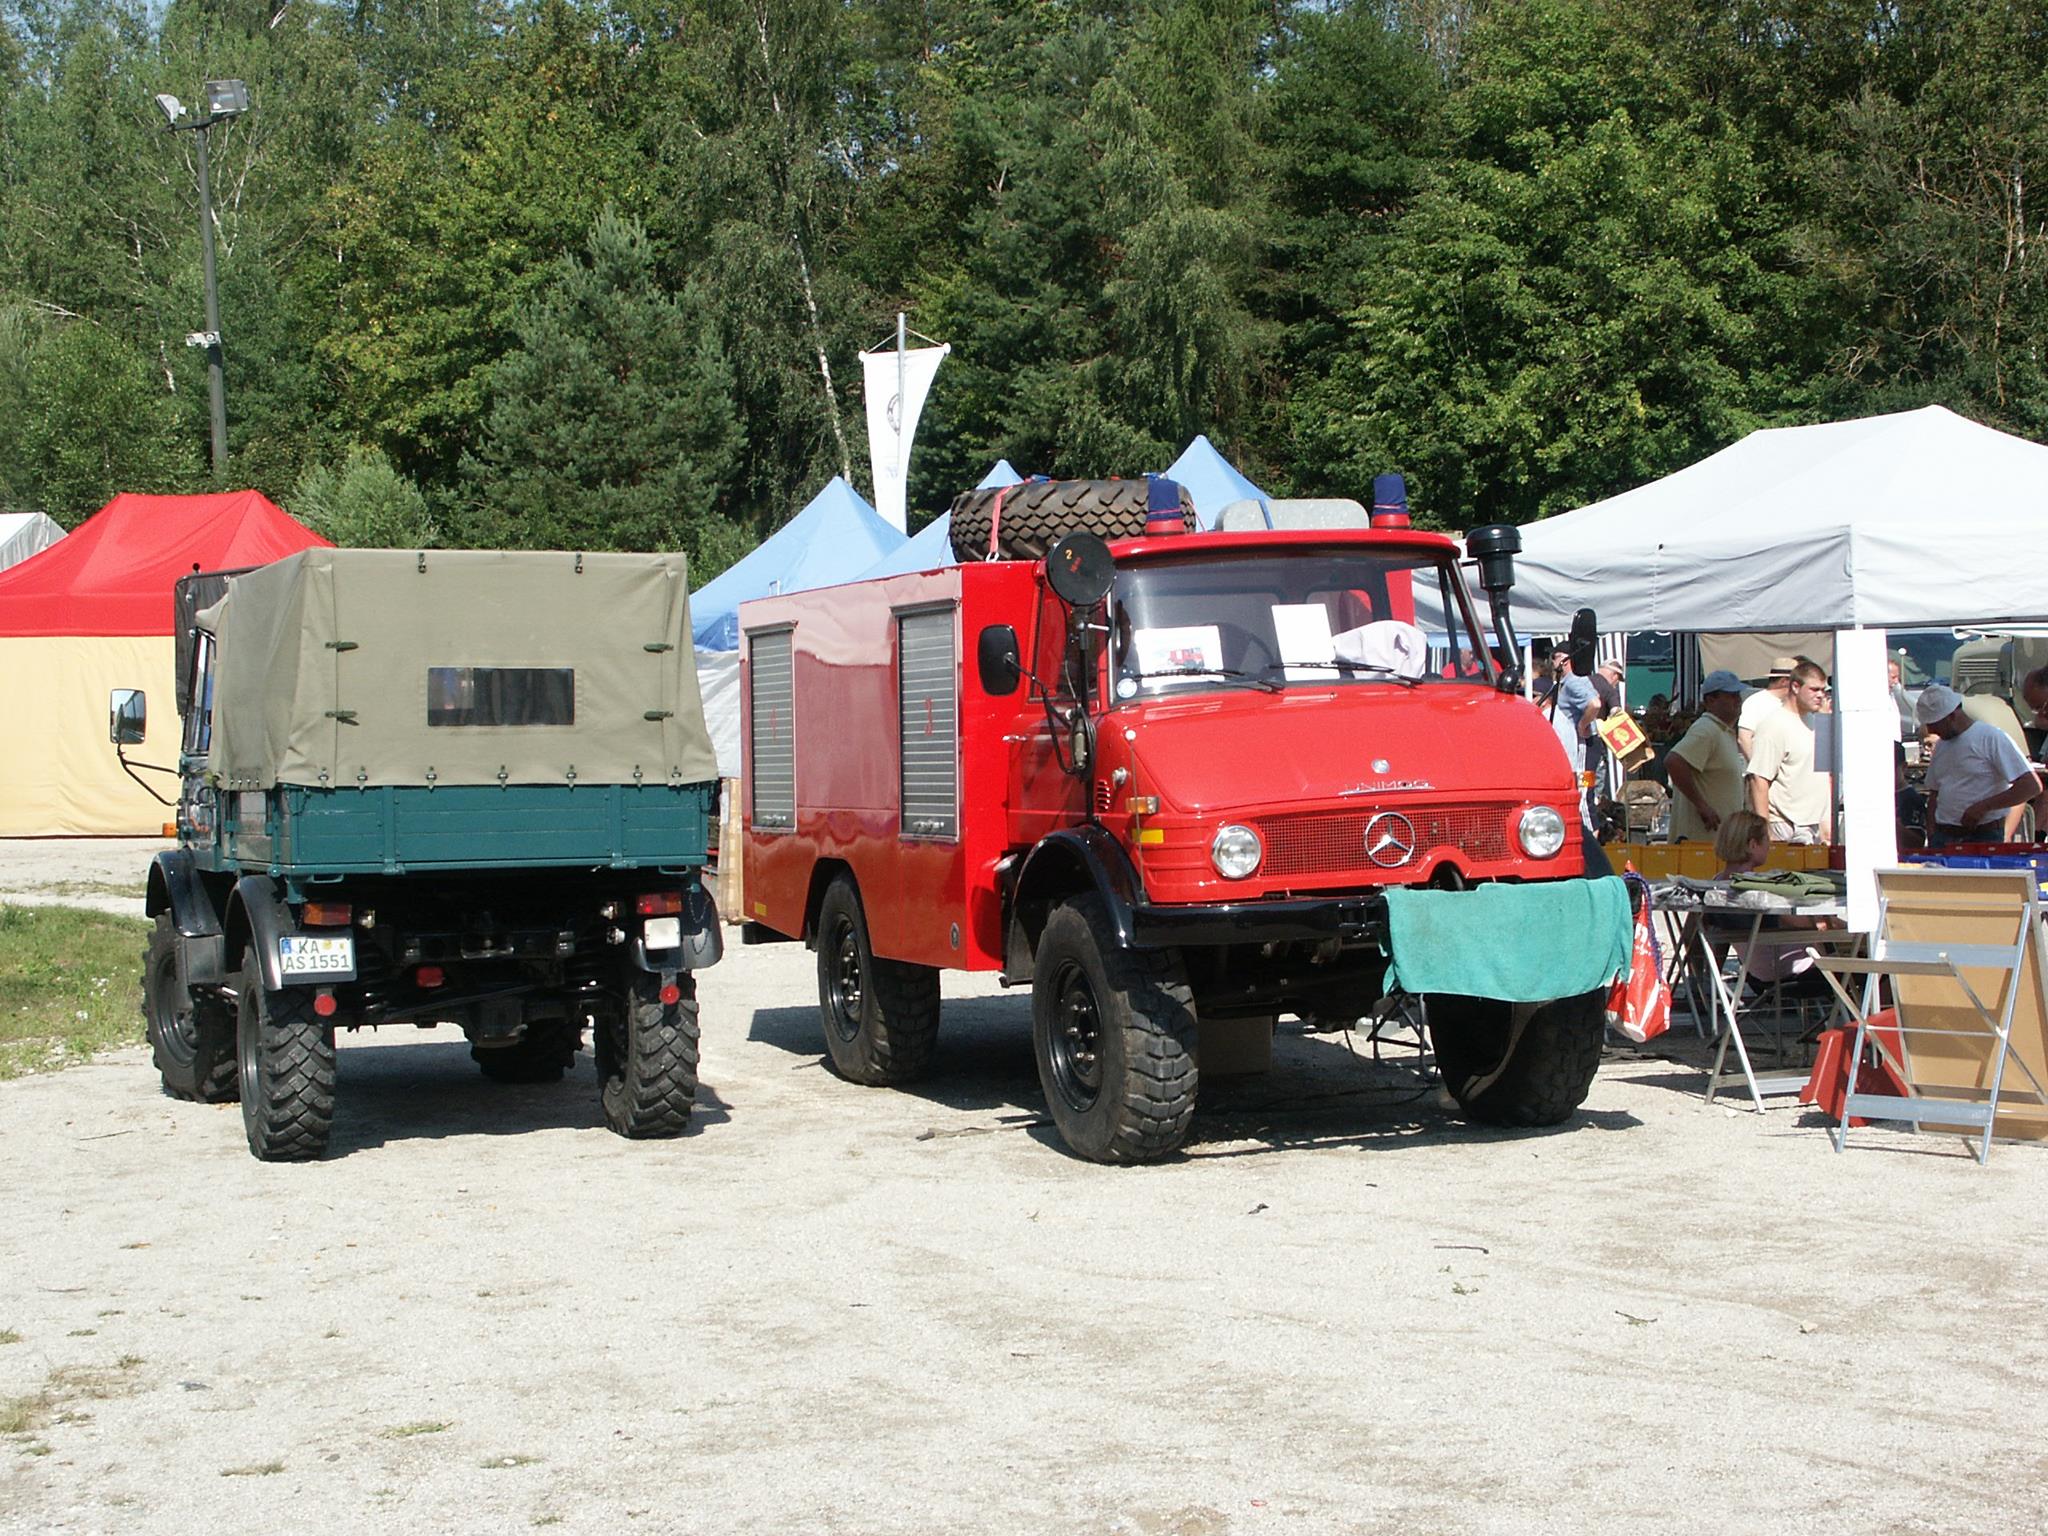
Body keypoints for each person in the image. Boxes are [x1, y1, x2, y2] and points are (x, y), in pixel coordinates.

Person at [1917, 683, 2043, 846]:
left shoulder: (1991, 737)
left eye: (1935, 725)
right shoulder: (1942, 745)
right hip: (1944, 836)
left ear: (1951, 716)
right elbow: (1935, 793)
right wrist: (1932, 833)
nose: (1931, 730)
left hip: (1982, 836)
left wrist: (1983, 807)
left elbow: (2030, 786)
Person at [1746, 659, 1831, 844]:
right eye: (1814, 689)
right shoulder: (1774, 725)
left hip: (1814, 824)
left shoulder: (1814, 722)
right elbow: (1759, 779)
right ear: (1795, 687)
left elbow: (1824, 775)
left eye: (1823, 690)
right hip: (1785, 825)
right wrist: (1764, 831)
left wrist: (1826, 821)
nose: (1820, 695)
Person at [1663, 670, 1745, 840]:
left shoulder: (1721, 730)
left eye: (1737, 695)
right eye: (1731, 695)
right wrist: (1702, 806)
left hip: (1717, 839)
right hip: (1701, 841)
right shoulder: (1706, 730)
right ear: (1710, 700)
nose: (1738, 700)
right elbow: (1674, 761)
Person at [1540, 643, 1603, 826]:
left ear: (1565, 660)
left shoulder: (1572, 681)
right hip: (1586, 745)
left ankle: (1589, 835)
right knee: (1583, 790)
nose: (1552, 662)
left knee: (1583, 793)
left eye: (1555, 657)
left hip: (1584, 744)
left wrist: (1583, 725)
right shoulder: (1575, 681)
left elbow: (1595, 703)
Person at [1736, 656, 1798, 759]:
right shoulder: (1756, 702)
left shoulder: (1795, 704)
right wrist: (1756, 766)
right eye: (1797, 682)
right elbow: (1744, 738)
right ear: (1784, 681)